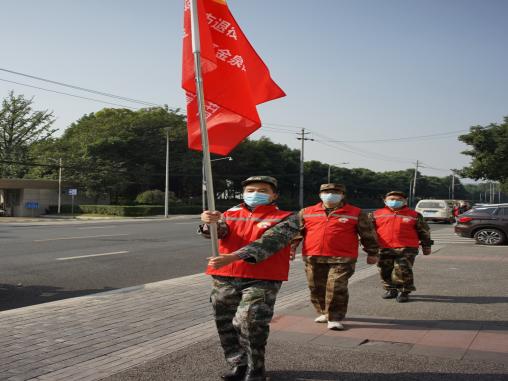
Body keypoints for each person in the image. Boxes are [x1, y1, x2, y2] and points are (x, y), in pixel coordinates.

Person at [200, 176, 296, 381]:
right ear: (243, 193)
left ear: (274, 195)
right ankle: (238, 364)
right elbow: (219, 232)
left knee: (250, 321)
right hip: (225, 277)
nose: (255, 193)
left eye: (263, 190)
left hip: (261, 278)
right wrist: (209, 223)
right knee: (224, 322)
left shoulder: (287, 217)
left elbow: (269, 243)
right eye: (251, 190)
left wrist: (233, 256)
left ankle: (256, 368)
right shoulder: (229, 213)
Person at [290, 183, 379, 330]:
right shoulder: (307, 211)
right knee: (316, 287)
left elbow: (367, 234)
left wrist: (373, 253)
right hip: (313, 256)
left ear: (343, 195)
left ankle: (335, 317)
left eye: (335, 192)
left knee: (336, 287)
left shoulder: (355, 212)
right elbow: (296, 233)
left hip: (343, 258)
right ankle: (324, 312)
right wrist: (292, 249)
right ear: (320, 194)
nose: (330, 194)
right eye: (326, 192)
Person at [372, 191, 433, 303]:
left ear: (405, 201)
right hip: (383, 247)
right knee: (385, 270)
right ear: (385, 200)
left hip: (407, 248)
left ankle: (404, 291)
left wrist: (427, 246)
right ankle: (391, 289)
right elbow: (369, 231)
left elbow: (424, 231)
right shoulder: (376, 214)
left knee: (402, 270)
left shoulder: (414, 215)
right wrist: (369, 247)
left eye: (398, 199)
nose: (394, 201)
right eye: (391, 199)